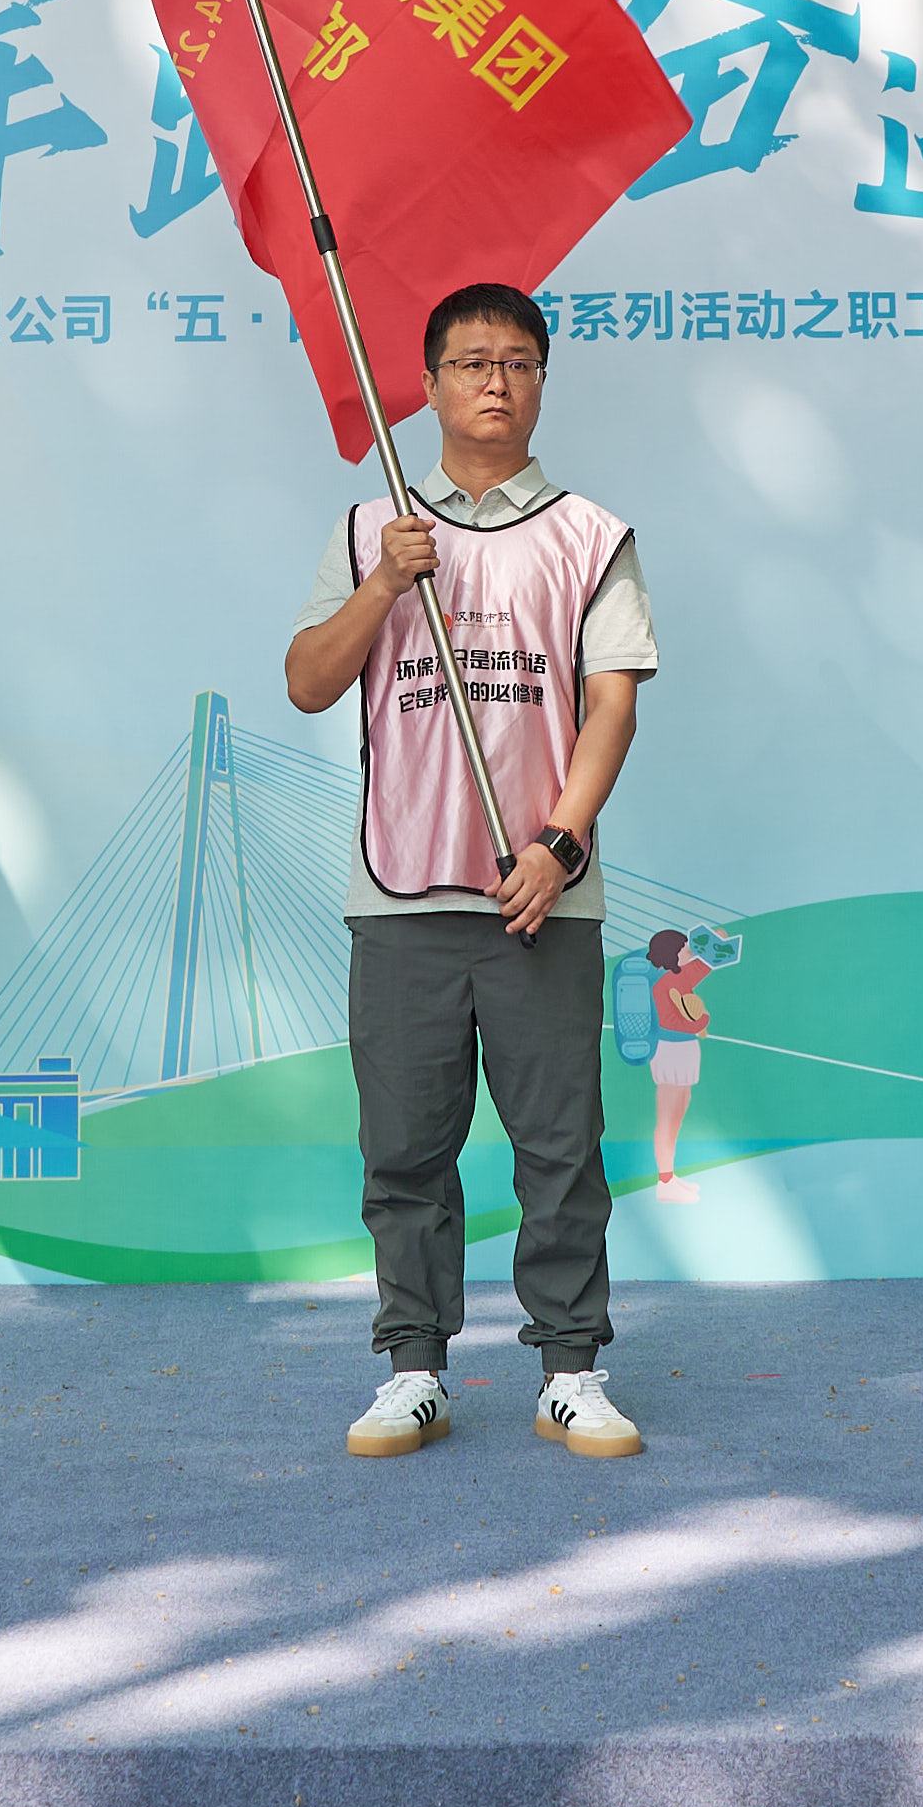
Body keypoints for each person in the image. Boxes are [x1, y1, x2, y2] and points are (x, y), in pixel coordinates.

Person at [289, 283, 655, 1464]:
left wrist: (560, 842)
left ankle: (571, 1370)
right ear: (429, 385)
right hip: (402, 894)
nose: (495, 382)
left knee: (560, 1147)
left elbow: (610, 709)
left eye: (517, 362)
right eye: (470, 362)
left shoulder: (590, 536)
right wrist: (384, 584)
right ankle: (413, 1370)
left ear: (541, 381)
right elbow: (307, 680)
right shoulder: (372, 530)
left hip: (539, 893)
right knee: (404, 1150)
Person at [640, 925, 739, 1192]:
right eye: (685, 948)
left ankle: (669, 1177)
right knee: (668, 1117)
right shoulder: (667, 983)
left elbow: (703, 967)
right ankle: (665, 1181)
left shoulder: (678, 978)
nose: (690, 951)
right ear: (673, 953)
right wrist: (701, 1021)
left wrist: (715, 941)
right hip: (671, 1053)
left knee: (678, 1111)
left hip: (681, 1053)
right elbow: (677, 1022)